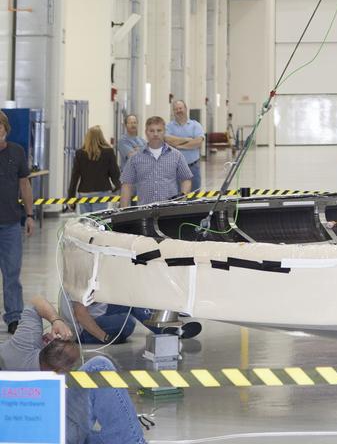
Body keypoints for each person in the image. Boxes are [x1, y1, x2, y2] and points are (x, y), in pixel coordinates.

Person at [0, 294, 147, 444]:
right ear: (60, 371)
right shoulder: (21, 350)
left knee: (99, 367)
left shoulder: (27, 342)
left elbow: (36, 301)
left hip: (53, 424)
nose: (60, 338)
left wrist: (56, 320)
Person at [0, 109, 34, 333]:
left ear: (5, 129)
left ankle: (14, 317)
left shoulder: (17, 152)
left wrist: (29, 215)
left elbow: (25, 186)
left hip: (11, 223)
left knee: (12, 273)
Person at [59, 294, 201, 345]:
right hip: (81, 330)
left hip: (97, 312)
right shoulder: (80, 276)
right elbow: (80, 314)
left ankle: (167, 327)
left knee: (132, 300)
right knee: (127, 324)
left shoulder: (85, 267)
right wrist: (105, 338)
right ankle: (167, 330)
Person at [120, 116, 191, 207]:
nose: (155, 134)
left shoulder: (176, 155)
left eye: (159, 130)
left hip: (170, 211)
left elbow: (186, 178)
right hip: (144, 212)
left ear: (164, 132)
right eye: (152, 131)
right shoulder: (135, 158)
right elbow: (127, 185)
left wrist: (183, 196)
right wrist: (123, 211)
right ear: (146, 132)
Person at [67, 126, 121, 201]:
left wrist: (71, 196)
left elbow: (74, 176)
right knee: (99, 213)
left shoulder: (79, 153)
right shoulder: (109, 152)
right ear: (101, 137)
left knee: (85, 213)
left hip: (84, 192)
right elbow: (115, 173)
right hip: (102, 191)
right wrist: (117, 186)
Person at [165, 99, 205, 193]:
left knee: (194, 196)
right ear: (173, 111)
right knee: (177, 197)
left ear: (186, 109)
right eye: (176, 109)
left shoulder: (196, 125)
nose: (179, 111)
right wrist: (188, 140)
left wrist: (179, 146)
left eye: (180, 108)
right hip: (175, 168)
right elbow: (167, 139)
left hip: (193, 168)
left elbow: (198, 142)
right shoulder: (168, 127)